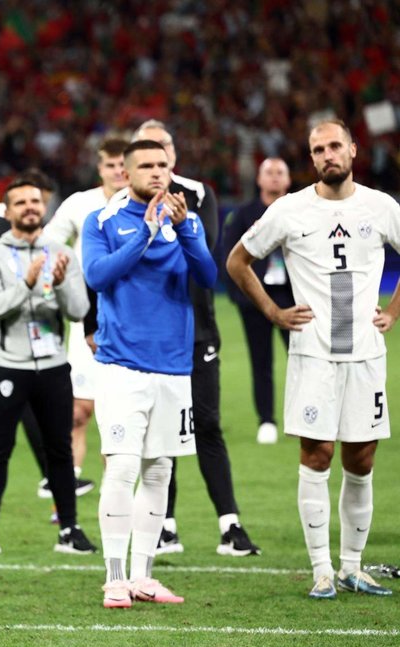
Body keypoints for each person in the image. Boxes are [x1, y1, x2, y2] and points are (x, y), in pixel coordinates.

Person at [227, 119, 400, 599]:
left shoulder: (381, 207)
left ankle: (353, 565)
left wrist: (392, 312)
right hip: (314, 354)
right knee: (316, 453)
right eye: (318, 149)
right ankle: (322, 568)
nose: (327, 155)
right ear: (312, 158)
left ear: (353, 150)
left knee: (362, 459)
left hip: (365, 353)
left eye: (334, 146)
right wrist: (272, 311)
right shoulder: (290, 210)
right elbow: (238, 261)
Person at [82, 139, 216, 608]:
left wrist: (184, 232)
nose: (157, 173)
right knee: (121, 465)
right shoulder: (102, 221)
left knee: (159, 470)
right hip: (122, 365)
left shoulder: (189, 220)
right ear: (125, 172)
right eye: (146, 165)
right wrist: (145, 231)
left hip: (175, 367)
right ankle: (114, 578)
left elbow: (208, 276)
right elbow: (97, 277)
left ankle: (144, 575)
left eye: (163, 165)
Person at [132, 120, 260, 557]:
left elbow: (202, 257)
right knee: (157, 434)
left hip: (196, 330)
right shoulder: (121, 205)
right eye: (145, 151)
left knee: (207, 424)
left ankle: (230, 524)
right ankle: (164, 525)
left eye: (162, 149)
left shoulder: (198, 193)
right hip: (148, 337)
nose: (155, 161)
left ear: (173, 155)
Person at [0, 175, 96, 556]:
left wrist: (57, 284)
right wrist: (24, 284)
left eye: (35, 202)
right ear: (7, 212)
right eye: (21, 202)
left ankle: (69, 530)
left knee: (59, 449)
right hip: (8, 365)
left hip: (54, 365)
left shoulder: (62, 253)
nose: (29, 208)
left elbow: (79, 311)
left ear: (45, 208)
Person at [0, 171, 89, 504]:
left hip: (17, 334)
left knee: (7, 404)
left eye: (38, 201)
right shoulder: (1, 233)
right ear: (11, 206)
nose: (36, 207)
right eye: (29, 200)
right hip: (1, 330)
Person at [41, 137, 130, 490]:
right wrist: (55, 278)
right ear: (100, 168)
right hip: (85, 318)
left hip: (128, 319)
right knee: (78, 412)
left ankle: (116, 490)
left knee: (120, 415)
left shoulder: (142, 205)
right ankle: (67, 486)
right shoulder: (81, 204)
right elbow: (49, 242)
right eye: (111, 165)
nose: (118, 171)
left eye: (123, 164)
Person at [221, 158, 294, 444]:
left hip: (292, 295)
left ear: (288, 180)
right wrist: (240, 296)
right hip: (255, 297)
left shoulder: (302, 211)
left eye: (280, 172)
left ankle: (306, 416)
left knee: (303, 359)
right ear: (260, 180)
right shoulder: (243, 215)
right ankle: (266, 421)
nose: (274, 178)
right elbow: (228, 255)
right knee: (260, 360)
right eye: (269, 173)